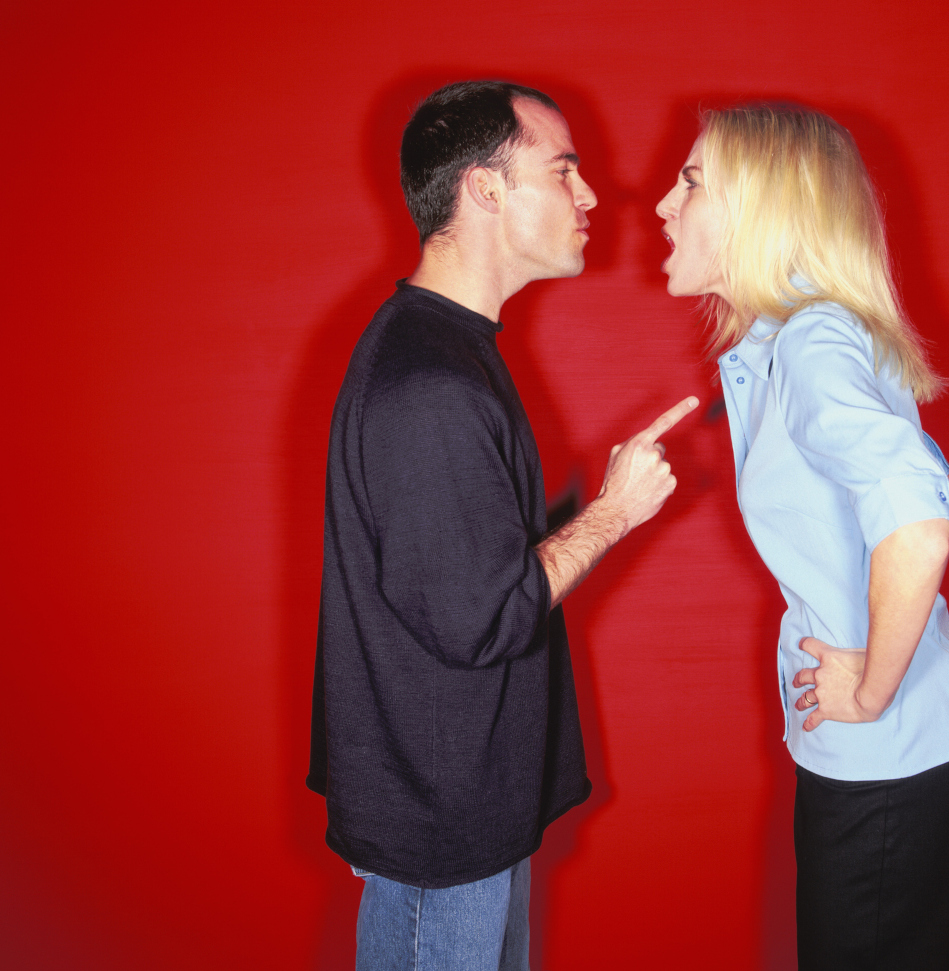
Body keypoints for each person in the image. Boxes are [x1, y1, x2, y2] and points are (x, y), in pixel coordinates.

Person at [307, 80, 698, 971]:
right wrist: (613, 512)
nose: (590, 194)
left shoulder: (448, 350)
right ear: (484, 188)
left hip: (457, 812)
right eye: (563, 171)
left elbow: (457, 568)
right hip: (441, 833)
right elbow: (479, 616)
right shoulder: (431, 384)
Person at [656, 104, 949, 970]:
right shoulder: (787, 342)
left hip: (887, 764)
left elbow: (919, 520)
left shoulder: (812, 342)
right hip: (881, 764)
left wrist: (871, 694)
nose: (663, 204)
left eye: (691, 182)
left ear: (762, 208)